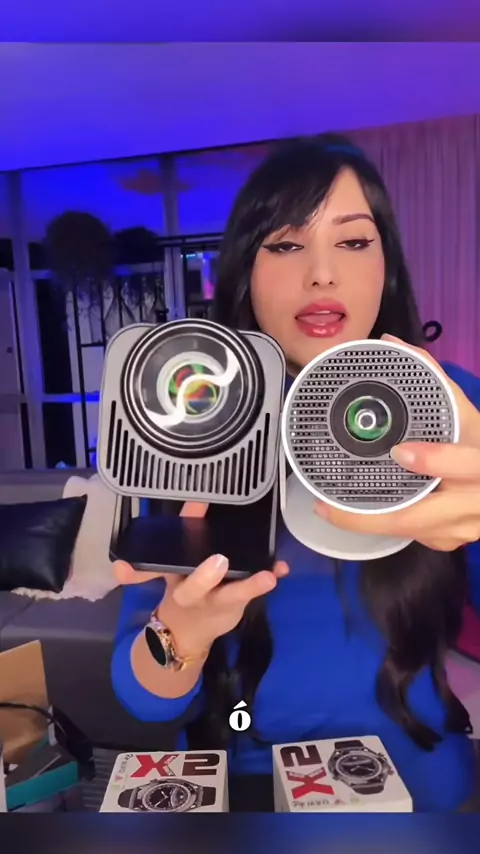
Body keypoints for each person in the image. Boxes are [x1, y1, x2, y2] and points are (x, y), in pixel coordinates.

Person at [112, 133, 480, 812]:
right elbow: (145, 699)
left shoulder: (451, 404)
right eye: (284, 245)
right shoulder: (194, 418)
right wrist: (181, 633)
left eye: (354, 241)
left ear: (387, 267)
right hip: (254, 791)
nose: (322, 274)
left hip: (422, 790)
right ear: (243, 275)